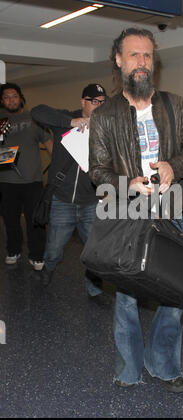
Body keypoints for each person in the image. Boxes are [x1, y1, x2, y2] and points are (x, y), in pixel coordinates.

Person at [89, 28, 183, 392]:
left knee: (174, 291)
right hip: (129, 211)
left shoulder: (175, 105)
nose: (142, 62)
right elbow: (98, 171)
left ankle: (165, 365)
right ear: (119, 61)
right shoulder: (105, 115)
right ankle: (129, 368)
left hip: (173, 208)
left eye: (148, 56)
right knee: (126, 295)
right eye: (134, 55)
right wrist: (129, 184)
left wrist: (174, 166)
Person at [31, 84, 109, 304]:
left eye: (102, 102)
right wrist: (71, 122)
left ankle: (94, 289)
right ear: (83, 101)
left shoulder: (105, 128)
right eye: (94, 101)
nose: (99, 105)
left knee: (94, 251)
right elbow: (37, 111)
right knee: (55, 247)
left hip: (91, 201)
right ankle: (48, 270)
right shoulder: (63, 120)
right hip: (62, 200)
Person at [0, 83, 53, 270]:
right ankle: (13, 251)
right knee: (10, 220)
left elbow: (48, 141)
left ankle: (37, 255)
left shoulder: (33, 118)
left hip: (32, 181)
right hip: (6, 181)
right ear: (2, 100)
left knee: (35, 220)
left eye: (14, 96)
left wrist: (57, 165)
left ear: (20, 97)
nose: (10, 100)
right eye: (6, 97)